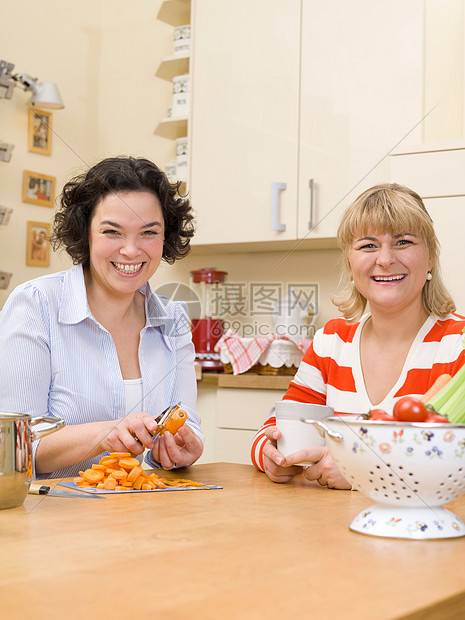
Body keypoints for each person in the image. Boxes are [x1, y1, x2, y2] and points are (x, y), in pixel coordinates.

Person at [0, 156, 203, 479]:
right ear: (86, 233)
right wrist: (104, 435)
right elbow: (14, 447)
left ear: (166, 236)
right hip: (54, 518)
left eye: (148, 233)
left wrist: (183, 448)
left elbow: (186, 420)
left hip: (147, 511)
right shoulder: (36, 305)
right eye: (113, 232)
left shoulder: (172, 318)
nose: (131, 250)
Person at [251, 183, 465, 489]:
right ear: (350, 264)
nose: (385, 259)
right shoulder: (331, 341)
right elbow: (276, 426)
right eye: (368, 246)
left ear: (431, 257)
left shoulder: (457, 344)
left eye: (403, 242)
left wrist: (360, 468)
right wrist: (272, 455)